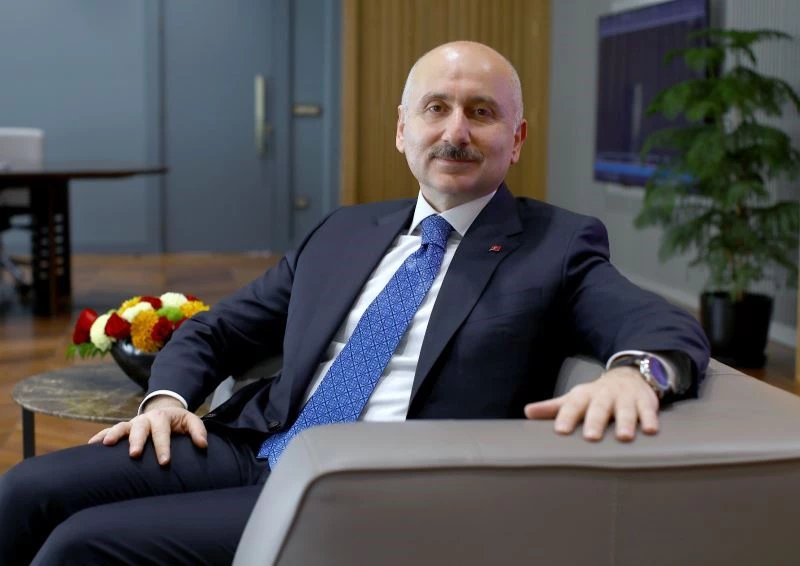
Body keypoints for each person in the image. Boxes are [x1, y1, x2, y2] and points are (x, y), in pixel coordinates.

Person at [0, 41, 709, 565]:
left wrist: (635, 373)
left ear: (515, 139)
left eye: (481, 113)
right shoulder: (344, 231)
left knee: (82, 545)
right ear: (403, 130)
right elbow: (219, 331)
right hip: (254, 445)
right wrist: (167, 402)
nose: (456, 132)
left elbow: (658, 323)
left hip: (369, 485)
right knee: (27, 491)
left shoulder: (556, 244)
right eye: (436, 108)